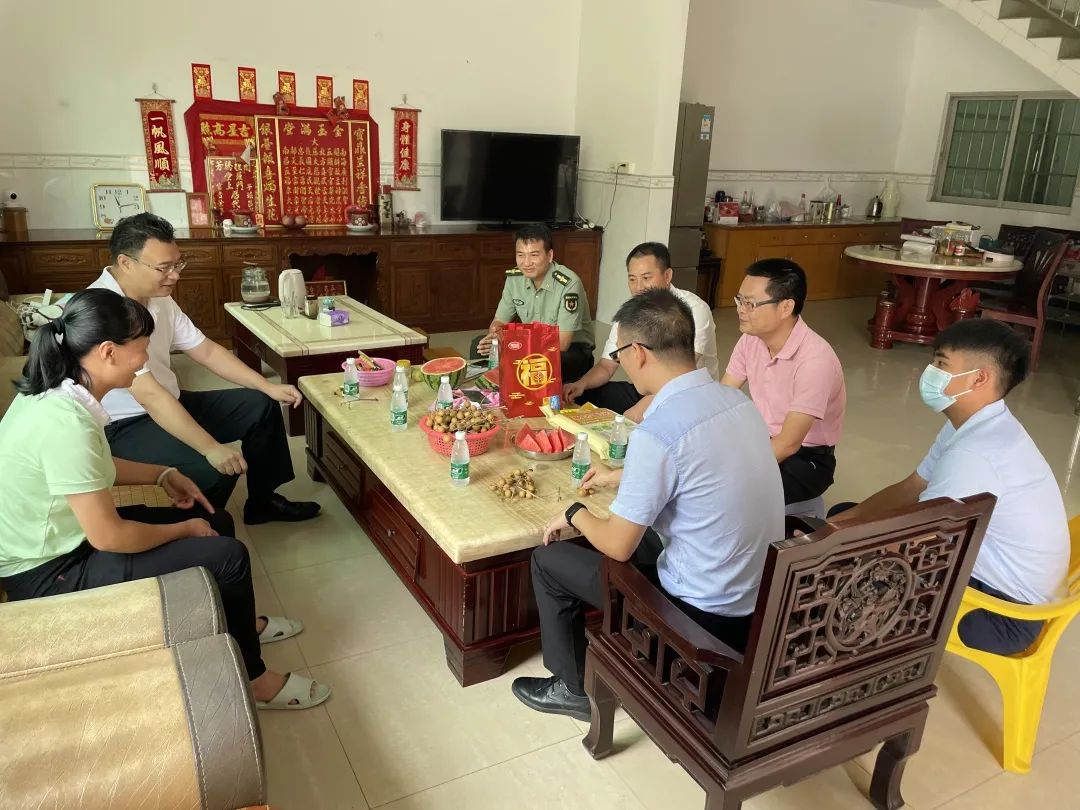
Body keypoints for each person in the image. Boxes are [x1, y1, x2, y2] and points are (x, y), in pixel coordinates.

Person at [0, 289, 330, 709]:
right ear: (108, 352)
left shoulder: (58, 394)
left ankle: (239, 625)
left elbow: (93, 466)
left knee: (217, 521)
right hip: (48, 570)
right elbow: (109, 537)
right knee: (226, 554)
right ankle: (254, 681)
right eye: (141, 350)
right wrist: (184, 529)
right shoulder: (66, 423)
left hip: (65, 541)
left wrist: (162, 474)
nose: (144, 361)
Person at [510, 288, 783, 720]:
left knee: (550, 560)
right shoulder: (737, 402)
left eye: (619, 353)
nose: (621, 361)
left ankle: (571, 689)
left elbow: (618, 546)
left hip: (697, 614)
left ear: (637, 352)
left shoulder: (659, 429)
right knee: (644, 534)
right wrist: (620, 476)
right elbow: (702, 468)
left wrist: (575, 514)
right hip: (757, 599)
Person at [830, 319, 1069, 656]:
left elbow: (913, 543)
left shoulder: (976, 454)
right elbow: (911, 487)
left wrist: (828, 550)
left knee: (862, 571)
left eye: (941, 364)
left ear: (979, 378)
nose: (929, 373)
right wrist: (835, 527)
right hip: (994, 582)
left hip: (1004, 617)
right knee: (844, 517)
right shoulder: (977, 423)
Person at [89, 213, 319, 524]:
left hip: (171, 400)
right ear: (126, 263)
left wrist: (267, 385)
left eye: (177, 265)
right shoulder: (102, 310)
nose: (174, 276)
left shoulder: (158, 297)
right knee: (214, 469)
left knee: (260, 406)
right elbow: (149, 396)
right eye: (164, 268)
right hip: (124, 424)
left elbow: (206, 350)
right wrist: (211, 447)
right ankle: (197, 527)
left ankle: (262, 501)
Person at [720, 259, 846, 505]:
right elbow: (723, 397)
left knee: (726, 492)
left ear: (786, 307)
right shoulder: (751, 340)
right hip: (763, 438)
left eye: (750, 303)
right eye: (739, 300)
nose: (741, 310)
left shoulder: (815, 360)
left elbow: (788, 444)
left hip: (806, 458)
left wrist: (734, 469)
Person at [563, 242, 718, 422]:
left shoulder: (693, 310)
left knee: (638, 418)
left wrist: (639, 410)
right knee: (583, 397)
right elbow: (607, 366)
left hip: (688, 397)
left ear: (667, 276)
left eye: (646, 278)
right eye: (632, 279)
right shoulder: (630, 314)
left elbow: (680, 376)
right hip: (649, 389)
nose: (638, 287)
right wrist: (581, 384)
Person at [470, 223, 595, 382]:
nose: (526, 263)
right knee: (479, 347)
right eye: (520, 255)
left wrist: (516, 344)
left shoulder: (569, 284)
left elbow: (562, 343)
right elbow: (499, 321)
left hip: (571, 351)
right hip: (530, 344)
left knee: (545, 362)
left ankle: (518, 390)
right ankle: (495, 391)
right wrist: (495, 336)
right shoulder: (514, 279)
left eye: (534, 255)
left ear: (549, 256)